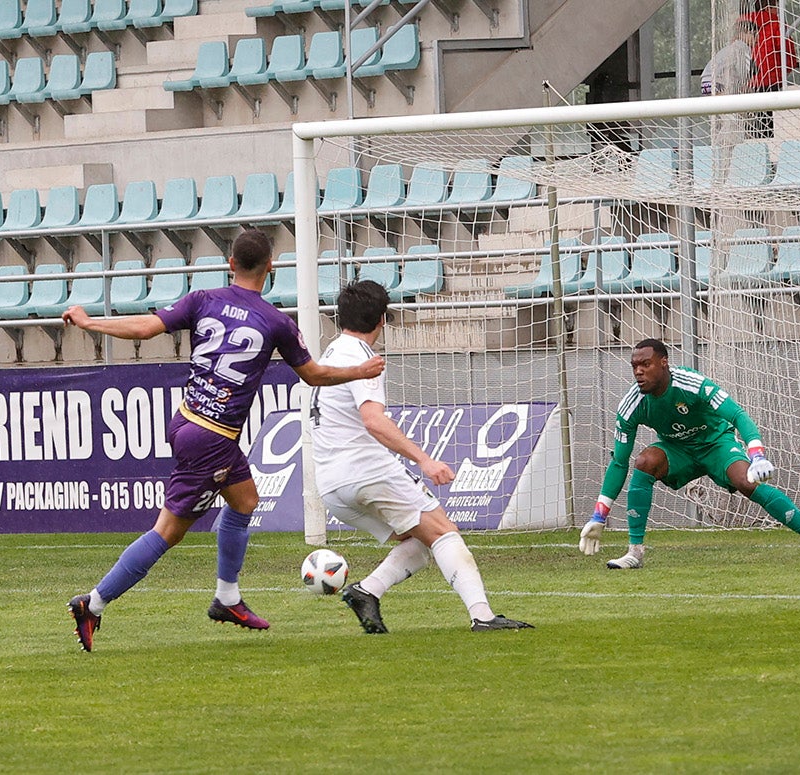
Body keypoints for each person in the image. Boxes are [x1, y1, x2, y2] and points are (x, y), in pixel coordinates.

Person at [63, 229, 385, 652]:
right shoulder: (275, 322)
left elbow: (144, 329)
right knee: (168, 532)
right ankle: (94, 603)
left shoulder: (202, 300)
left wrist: (89, 322)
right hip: (212, 439)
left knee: (245, 500)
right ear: (271, 268)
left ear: (230, 264)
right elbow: (315, 375)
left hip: (189, 422)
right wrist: (358, 373)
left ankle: (227, 598)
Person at [310, 280, 532, 633]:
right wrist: (424, 460)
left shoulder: (332, 355)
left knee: (422, 539)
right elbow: (373, 420)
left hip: (332, 487)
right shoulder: (361, 358)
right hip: (366, 473)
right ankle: (484, 617)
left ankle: (367, 591)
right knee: (444, 532)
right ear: (383, 319)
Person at [578, 338, 800, 568]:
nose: (638, 372)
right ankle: (635, 552)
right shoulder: (631, 405)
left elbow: (737, 415)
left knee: (747, 482)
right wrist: (600, 514)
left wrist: (757, 455)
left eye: (645, 364)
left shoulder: (692, 383)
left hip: (716, 444)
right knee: (645, 461)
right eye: (635, 366)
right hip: (677, 450)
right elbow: (619, 462)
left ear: (664, 363)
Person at [743, 0, 798, 138]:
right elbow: (789, 55)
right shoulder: (776, 25)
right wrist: (784, 71)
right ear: (770, 7)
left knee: (750, 125)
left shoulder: (741, 26)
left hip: (744, 83)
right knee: (768, 126)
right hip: (769, 81)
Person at [700, 19, 756, 97]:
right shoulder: (742, 48)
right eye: (753, 34)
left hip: (705, 83)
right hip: (717, 83)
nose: (756, 38)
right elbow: (742, 73)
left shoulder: (730, 48)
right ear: (743, 33)